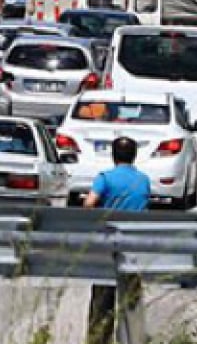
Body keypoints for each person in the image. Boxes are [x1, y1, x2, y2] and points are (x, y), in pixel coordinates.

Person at [84, 136, 150, 344]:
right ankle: (133, 338)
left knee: (102, 299)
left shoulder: (105, 177)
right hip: (133, 246)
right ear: (134, 156)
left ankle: (99, 339)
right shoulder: (143, 180)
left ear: (113, 155)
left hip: (108, 245)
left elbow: (89, 203)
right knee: (131, 299)